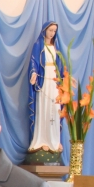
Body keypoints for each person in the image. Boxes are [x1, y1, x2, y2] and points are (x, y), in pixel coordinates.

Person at [28, 21, 64, 153]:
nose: (52, 33)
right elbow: (34, 61)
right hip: (43, 81)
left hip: (54, 81)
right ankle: (42, 139)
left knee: (55, 109)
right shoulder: (39, 45)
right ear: (45, 30)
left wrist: (63, 80)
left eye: (54, 31)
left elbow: (61, 65)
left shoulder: (56, 47)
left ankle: (54, 140)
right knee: (43, 108)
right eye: (50, 30)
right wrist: (33, 73)